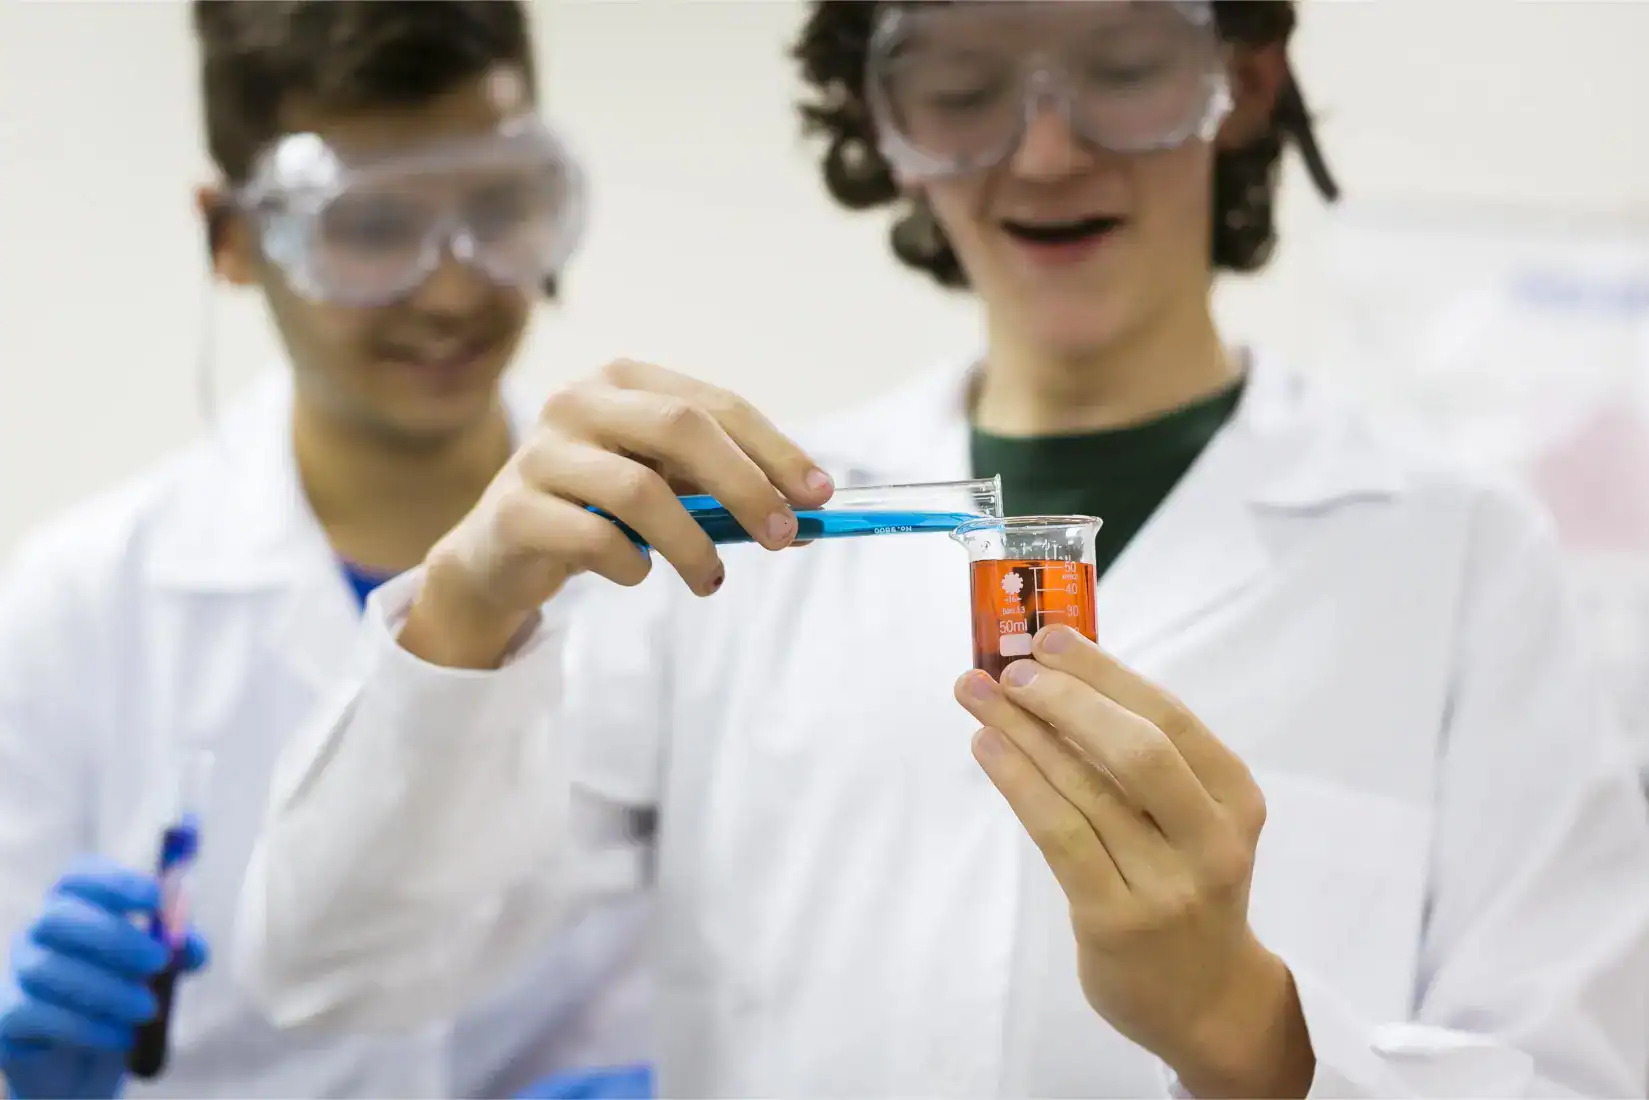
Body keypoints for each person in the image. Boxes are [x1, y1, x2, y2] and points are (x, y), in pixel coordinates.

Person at [234, 1, 1649, 1096]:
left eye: (1122, 66)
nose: (1045, 150)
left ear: (1244, 79)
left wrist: (1248, 1031)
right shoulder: (743, 542)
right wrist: (464, 611)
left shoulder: (1459, 559)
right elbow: (333, 972)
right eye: (962, 89)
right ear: (886, 122)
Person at [0, 3, 653, 1097]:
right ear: (232, 238)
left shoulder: (671, 567)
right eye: (371, 225)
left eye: (497, 205)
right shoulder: (77, 606)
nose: (451, 289)